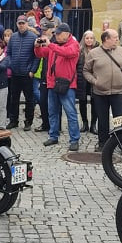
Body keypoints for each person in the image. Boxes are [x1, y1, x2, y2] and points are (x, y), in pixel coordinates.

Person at [83, 29, 122, 151]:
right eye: (115, 37)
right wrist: (95, 82)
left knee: (119, 119)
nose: (117, 39)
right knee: (102, 119)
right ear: (106, 39)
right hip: (100, 93)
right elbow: (86, 71)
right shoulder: (94, 53)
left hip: (119, 92)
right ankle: (103, 144)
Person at [35, 23, 81, 151]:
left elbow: (66, 53)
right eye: (55, 33)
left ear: (66, 34)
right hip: (52, 83)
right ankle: (53, 135)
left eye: (59, 33)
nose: (56, 35)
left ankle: (74, 139)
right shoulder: (55, 44)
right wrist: (37, 47)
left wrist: (50, 44)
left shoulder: (73, 44)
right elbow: (41, 54)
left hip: (67, 84)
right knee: (53, 112)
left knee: (70, 113)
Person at [6, 15, 38, 131]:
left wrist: (32, 70)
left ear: (26, 24)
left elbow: (37, 56)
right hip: (15, 73)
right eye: (19, 23)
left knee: (29, 99)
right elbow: (8, 53)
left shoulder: (33, 37)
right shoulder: (13, 37)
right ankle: (13, 120)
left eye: (23, 23)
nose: (21, 25)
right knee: (14, 98)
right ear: (16, 24)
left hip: (27, 74)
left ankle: (28, 121)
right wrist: (10, 64)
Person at [78, 30, 99, 133]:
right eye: (87, 38)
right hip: (82, 79)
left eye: (91, 38)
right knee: (82, 102)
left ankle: (93, 124)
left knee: (95, 102)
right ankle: (85, 123)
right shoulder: (80, 50)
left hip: (94, 79)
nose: (89, 40)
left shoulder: (99, 50)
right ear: (84, 39)